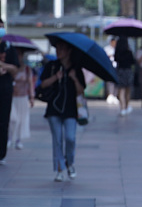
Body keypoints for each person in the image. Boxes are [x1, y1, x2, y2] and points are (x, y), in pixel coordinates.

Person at [37, 40, 86, 181]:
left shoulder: (76, 69)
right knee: (57, 139)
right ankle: (59, 168)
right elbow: (42, 84)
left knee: (70, 138)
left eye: (62, 48)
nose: (59, 51)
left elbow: (81, 91)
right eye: (57, 48)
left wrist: (74, 78)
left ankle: (70, 163)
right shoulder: (52, 66)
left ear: (69, 51)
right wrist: (55, 77)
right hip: (54, 108)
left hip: (71, 109)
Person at [0, 19, 19, 164]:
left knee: (3, 121)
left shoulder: (9, 48)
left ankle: (1, 153)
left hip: (5, 91)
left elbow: (15, 70)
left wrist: (4, 65)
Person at [8, 56, 35, 151]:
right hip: (12, 97)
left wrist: (32, 97)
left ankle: (18, 140)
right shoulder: (11, 68)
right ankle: (10, 137)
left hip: (23, 97)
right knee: (13, 118)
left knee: (22, 120)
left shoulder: (27, 69)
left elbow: (30, 83)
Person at [113, 37, 135, 117]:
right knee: (128, 90)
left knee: (121, 91)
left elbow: (115, 60)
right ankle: (126, 106)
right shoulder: (129, 52)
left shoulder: (117, 52)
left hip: (120, 71)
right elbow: (133, 61)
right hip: (128, 71)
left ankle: (122, 108)